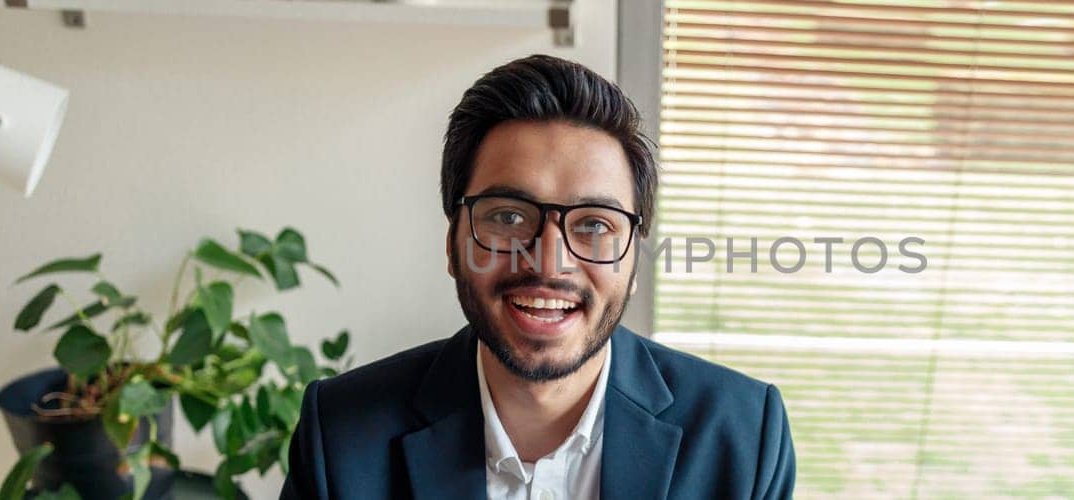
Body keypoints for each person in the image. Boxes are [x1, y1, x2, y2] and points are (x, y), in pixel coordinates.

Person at [279, 54, 795, 500]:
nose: (549, 263)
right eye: (507, 216)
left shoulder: (742, 434)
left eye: (594, 224)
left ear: (635, 259)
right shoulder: (343, 434)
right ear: (452, 244)